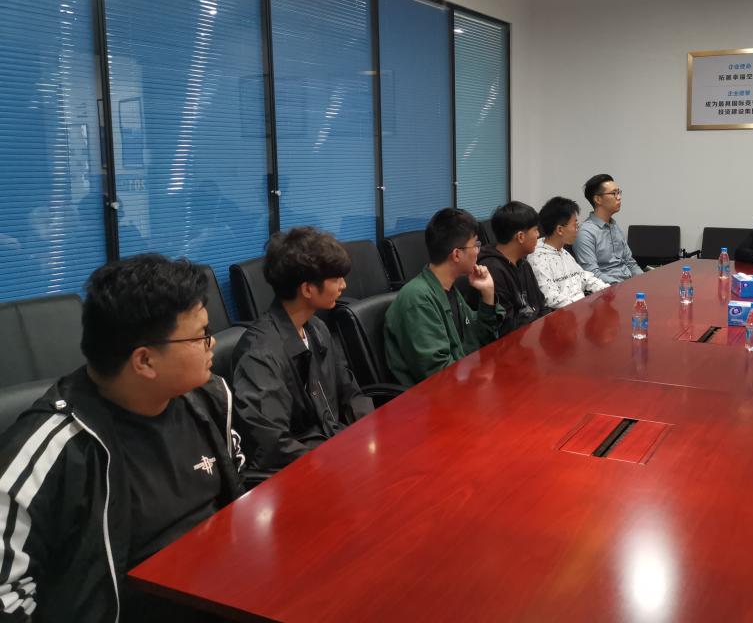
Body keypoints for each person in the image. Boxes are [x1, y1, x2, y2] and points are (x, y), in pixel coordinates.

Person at [0, 254, 245, 622]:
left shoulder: (208, 399)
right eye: (201, 336)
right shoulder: (53, 449)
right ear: (144, 361)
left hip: (224, 593)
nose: (212, 344)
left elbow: (237, 487)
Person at [232, 227, 371, 484]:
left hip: (337, 452)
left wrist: (367, 434)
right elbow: (273, 445)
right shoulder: (260, 354)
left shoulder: (317, 328)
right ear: (307, 289)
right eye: (336, 279)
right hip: (304, 475)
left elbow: (350, 392)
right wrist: (336, 460)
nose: (344, 285)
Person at [385, 208, 505, 386]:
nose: (478, 251)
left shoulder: (448, 289)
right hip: (433, 397)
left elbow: (480, 339)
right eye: (475, 245)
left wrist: (488, 293)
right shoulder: (418, 299)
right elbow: (439, 374)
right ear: (456, 254)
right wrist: (481, 380)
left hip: (462, 385)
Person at [478, 201, 550, 335]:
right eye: (535, 230)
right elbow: (506, 326)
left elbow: (541, 305)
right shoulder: (492, 270)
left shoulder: (523, 263)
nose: (538, 235)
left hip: (534, 333)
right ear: (520, 237)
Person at [528, 196, 609, 308]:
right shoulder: (538, 258)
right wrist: (585, 306)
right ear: (560, 230)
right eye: (575, 225)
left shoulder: (563, 251)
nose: (577, 230)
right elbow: (551, 298)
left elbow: (582, 276)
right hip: (566, 313)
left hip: (581, 309)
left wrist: (605, 289)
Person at [575, 173, 643, 283]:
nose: (619, 197)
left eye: (619, 192)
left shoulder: (614, 227)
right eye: (613, 193)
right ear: (598, 199)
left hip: (629, 283)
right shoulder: (585, 233)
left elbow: (631, 263)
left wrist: (645, 280)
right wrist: (622, 286)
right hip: (609, 289)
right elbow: (592, 273)